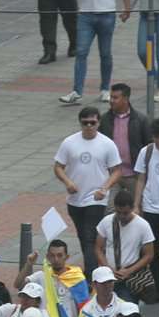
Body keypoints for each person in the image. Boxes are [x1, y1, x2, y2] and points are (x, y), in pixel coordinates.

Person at [62, 0, 131, 106]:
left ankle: (105, 89)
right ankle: (77, 91)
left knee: (105, 53)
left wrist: (127, 7)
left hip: (106, 13)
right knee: (81, 52)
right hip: (86, 14)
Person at [55, 107, 122, 275]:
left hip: (96, 199)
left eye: (93, 123)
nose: (89, 126)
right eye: (85, 123)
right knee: (83, 236)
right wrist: (68, 182)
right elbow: (58, 167)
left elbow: (117, 170)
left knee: (89, 235)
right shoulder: (69, 142)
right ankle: (98, 265)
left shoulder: (107, 144)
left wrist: (105, 188)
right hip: (75, 199)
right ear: (80, 123)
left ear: (98, 122)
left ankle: (91, 274)